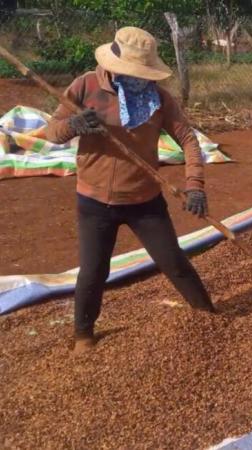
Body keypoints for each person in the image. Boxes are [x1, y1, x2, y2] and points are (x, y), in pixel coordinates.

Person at [46, 27, 216, 354]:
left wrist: (195, 185)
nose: (137, 80)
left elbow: (189, 141)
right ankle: (83, 335)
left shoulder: (159, 98)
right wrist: (74, 126)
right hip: (94, 201)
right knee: (94, 271)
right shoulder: (86, 87)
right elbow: (52, 132)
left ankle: (208, 318)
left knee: (174, 263)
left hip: (145, 202)